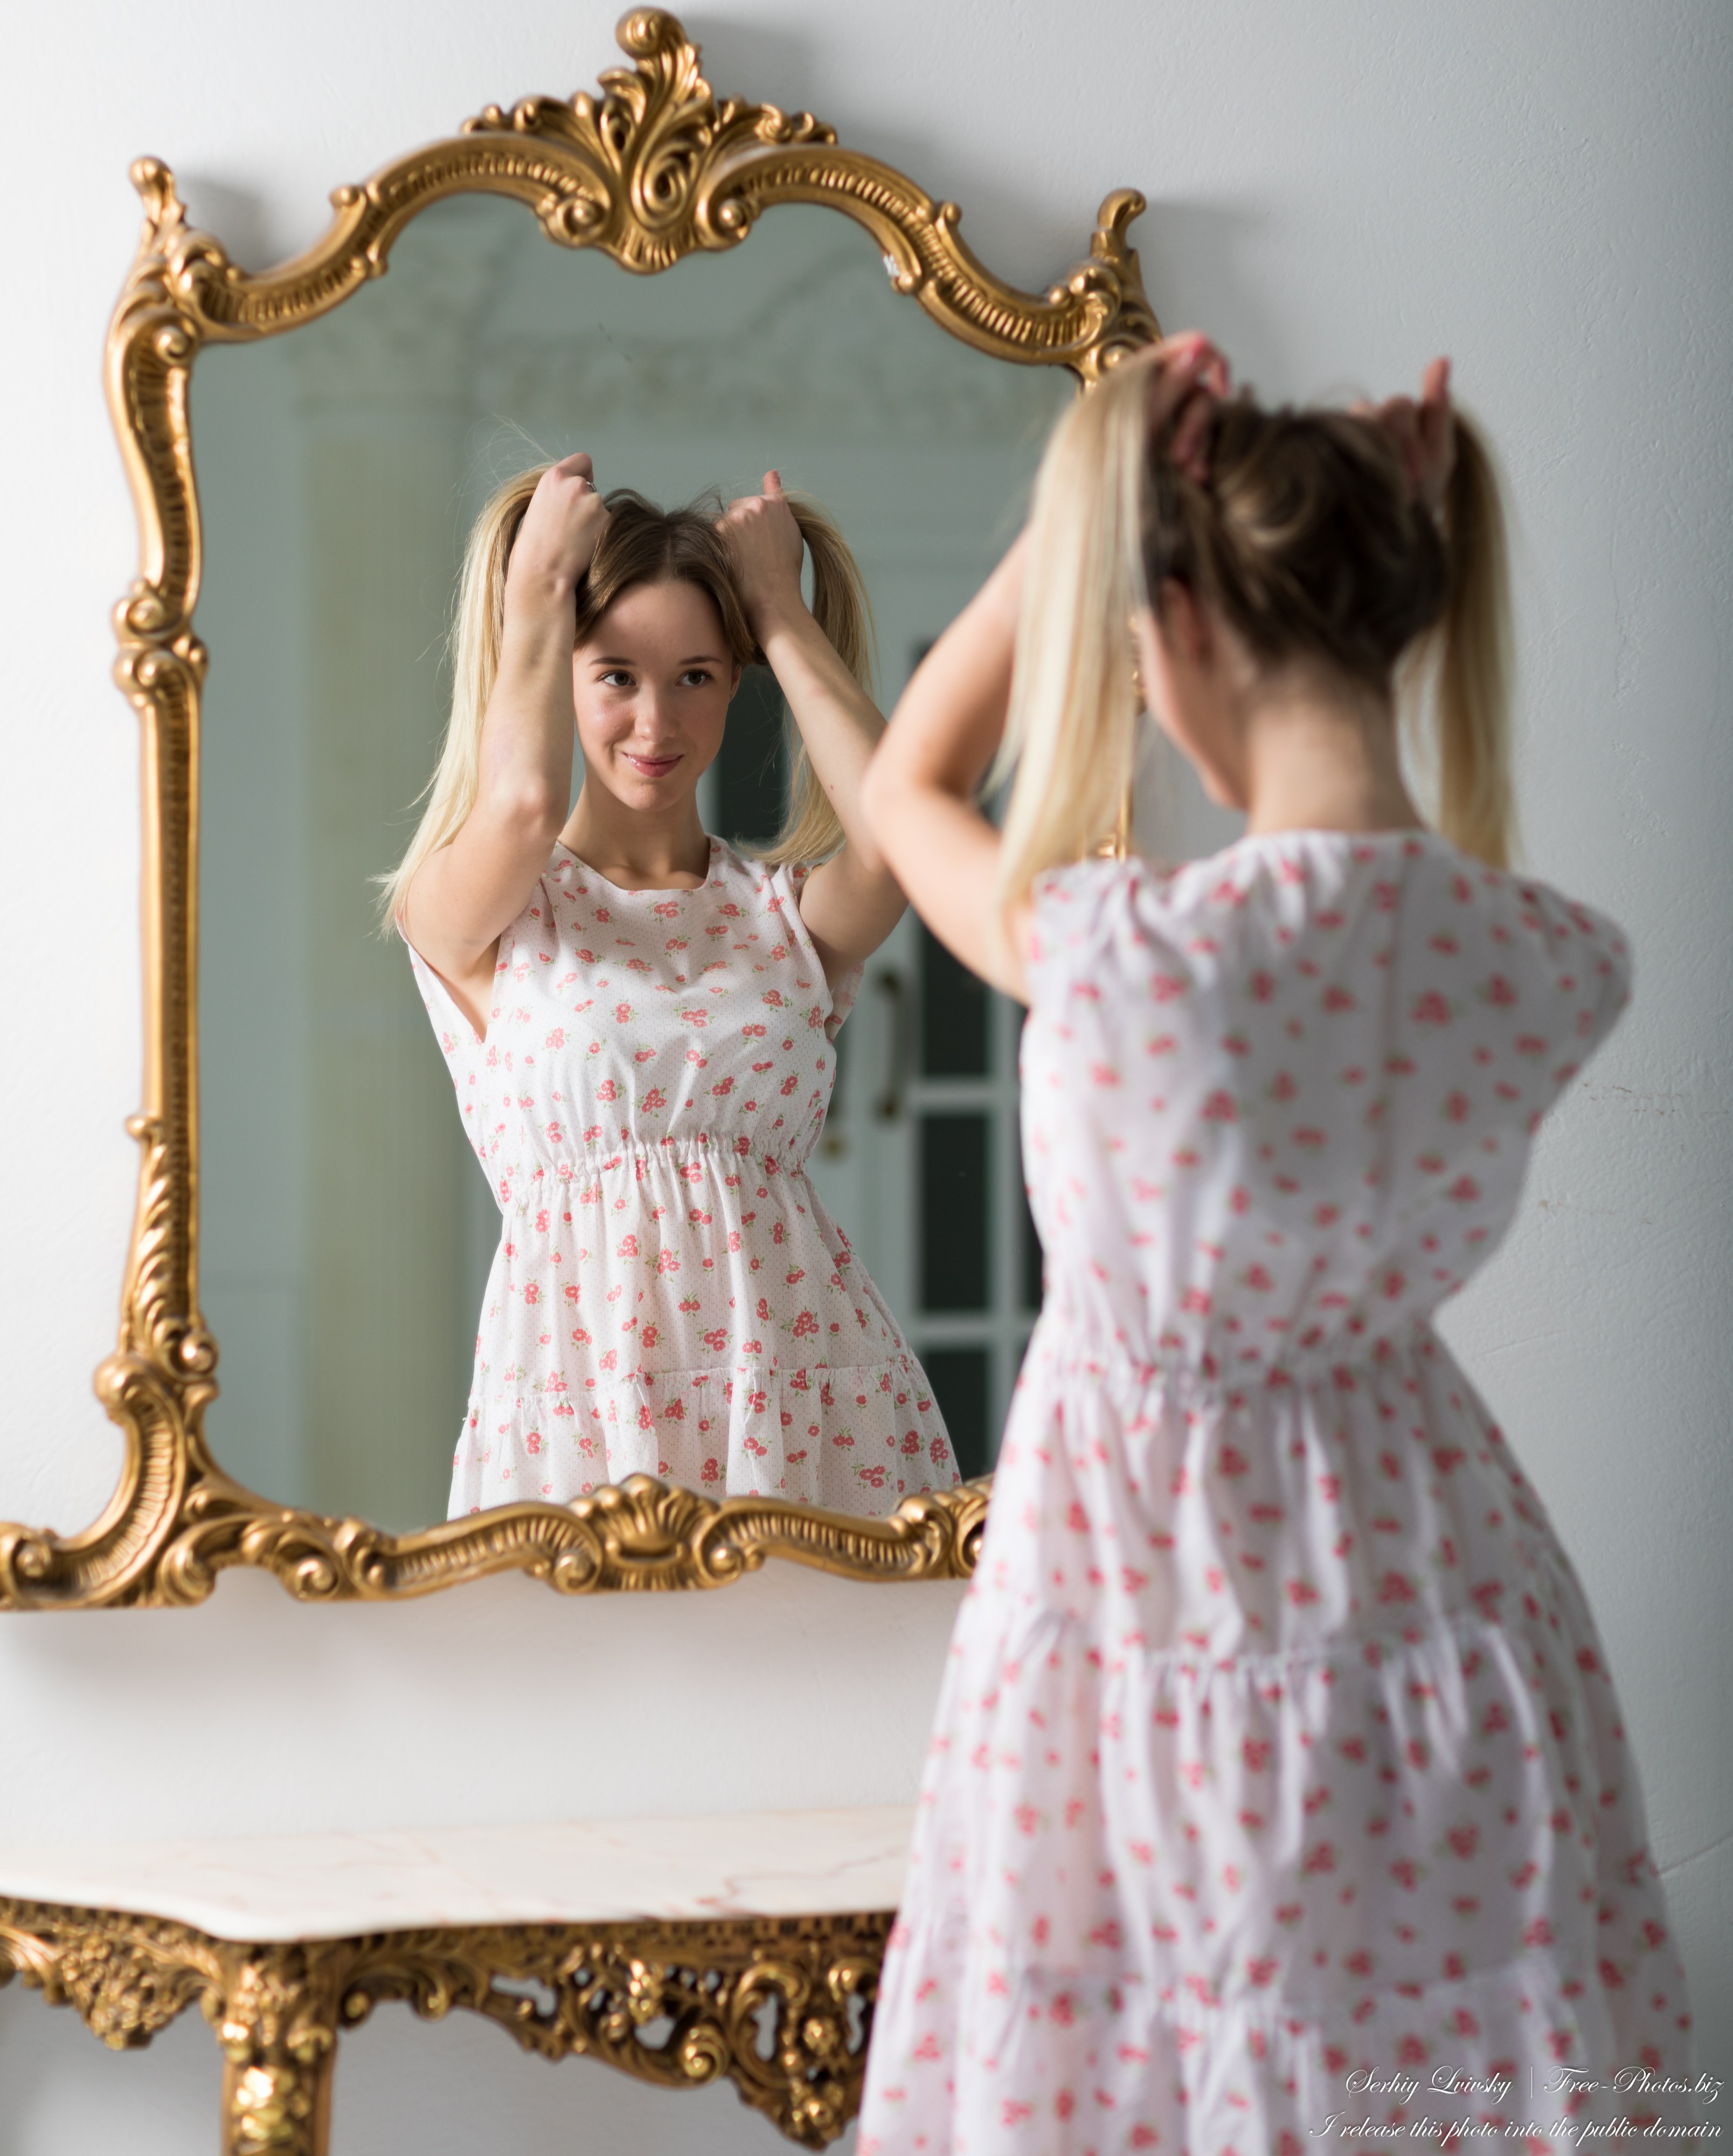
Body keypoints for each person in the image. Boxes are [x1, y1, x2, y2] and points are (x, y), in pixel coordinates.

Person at [855, 339, 1700, 2147]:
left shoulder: (1129, 958)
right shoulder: (1549, 965)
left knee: (1153, 2066)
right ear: (1402, 611)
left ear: (1168, 629)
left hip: (1142, 1583)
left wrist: (1067, 524)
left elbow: (902, 784)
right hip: (1441, 1587)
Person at [380, 458, 958, 1518]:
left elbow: (904, 830)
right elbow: (518, 801)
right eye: (615, 676)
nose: (657, 721)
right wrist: (537, 591)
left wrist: (780, 608)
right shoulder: (478, 906)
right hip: (582, 1400)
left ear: (738, 683)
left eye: (695, 674)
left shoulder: (783, 917)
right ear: (555, 670)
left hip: (808, 1396)